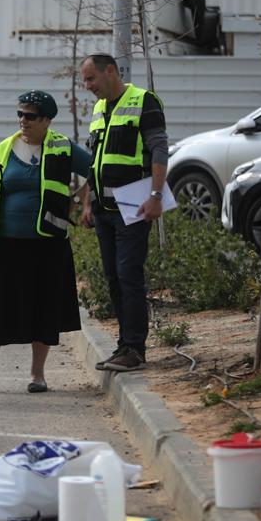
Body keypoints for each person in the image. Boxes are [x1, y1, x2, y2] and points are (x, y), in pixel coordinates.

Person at [0, 91, 91, 396]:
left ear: (47, 120)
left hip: (49, 243)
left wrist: (82, 202)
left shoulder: (61, 146)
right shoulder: (5, 149)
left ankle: (37, 374)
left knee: (44, 308)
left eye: (31, 116)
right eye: (20, 114)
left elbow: (97, 169)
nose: (23, 120)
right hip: (9, 242)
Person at [79, 53, 169, 373]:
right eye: (85, 80)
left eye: (91, 79)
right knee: (113, 277)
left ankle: (135, 348)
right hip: (104, 209)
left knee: (129, 273)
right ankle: (124, 346)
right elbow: (96, 160)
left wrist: (156, 196)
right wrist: (88, 201)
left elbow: (159, 148)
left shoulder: (144, 100)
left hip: (133, 205)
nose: (87, 86)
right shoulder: (100, 107)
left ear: (111, 72)